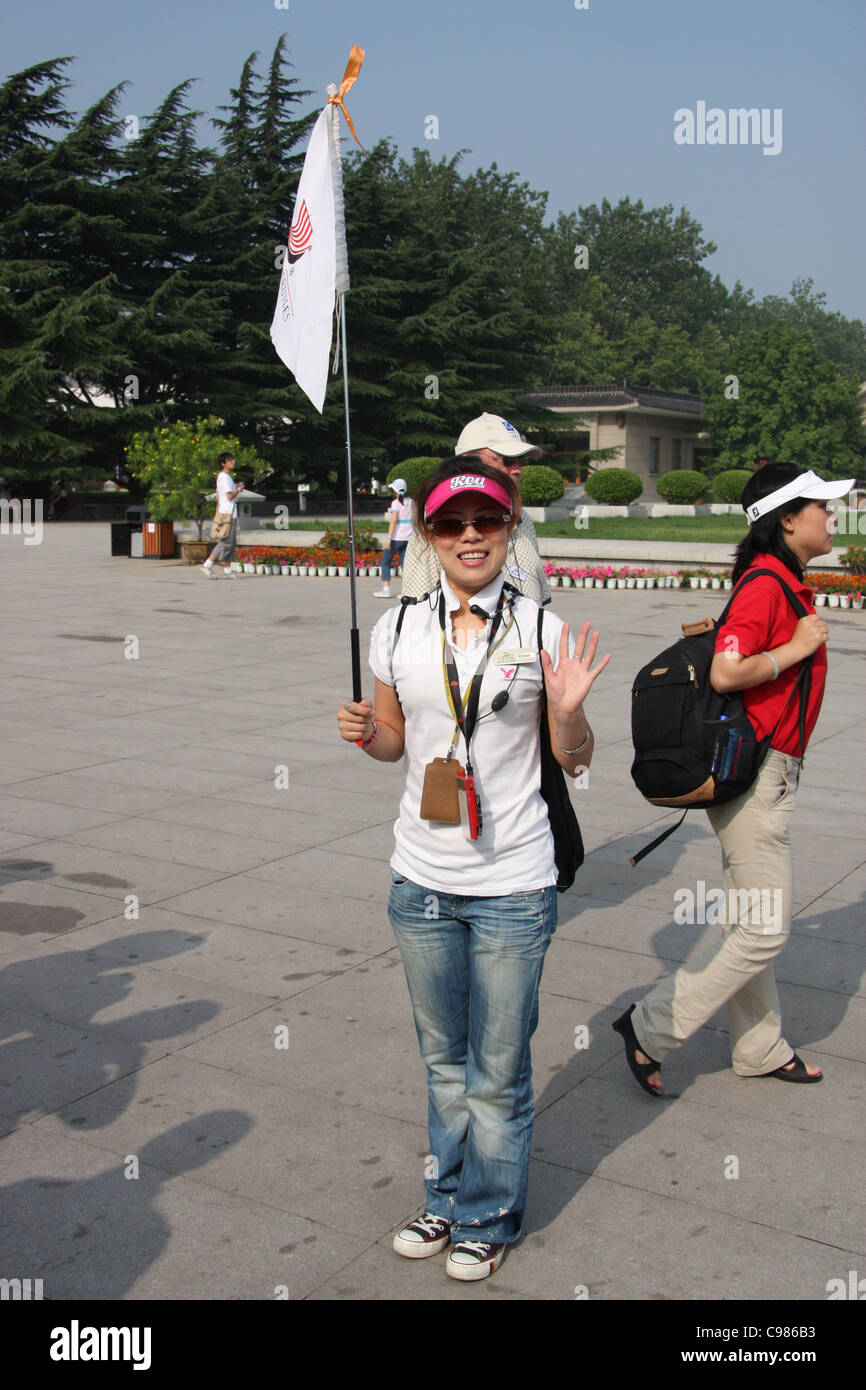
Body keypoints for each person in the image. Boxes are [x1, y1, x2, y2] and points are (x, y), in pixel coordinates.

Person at [336, 457, 610, 1281]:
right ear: (428, 533)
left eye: (485, 522)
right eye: (451, 524)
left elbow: (578, 757)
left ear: (509, 525)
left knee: (497, 1069)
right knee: (442, 1059)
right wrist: (363, 730)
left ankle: (488, 1214)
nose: (469, 537)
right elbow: (394, 745)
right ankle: (447, 1194)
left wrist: (569, 715)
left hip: (511, 887)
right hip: (419, 880)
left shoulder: (542, 631)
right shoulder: (396, 629)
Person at [613, 463, 855, 1095]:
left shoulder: (782, 579)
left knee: (749, 914)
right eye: (822, 508)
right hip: (759, 776)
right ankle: (650, 1027)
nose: (833, 517)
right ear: (787, 518)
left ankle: (758, 1047)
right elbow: (726, 672)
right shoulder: (767, 585)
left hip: (769, 770)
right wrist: (797, 649)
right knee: (765, 927)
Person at [400, 413, 551, 604]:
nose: (517, 469)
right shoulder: (437, 524)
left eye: (521, 460)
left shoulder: (523, 518)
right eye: (506, 459)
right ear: (468, 460)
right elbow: (417, 611)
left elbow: (540, 600)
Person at [201, 453, 244, 578]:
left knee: (231, 542)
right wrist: (239, 490)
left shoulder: (224, 477)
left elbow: (219, 494)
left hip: (227, 511)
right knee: (227, 541)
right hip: (228, 513)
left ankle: (227, 569)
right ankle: (207, 564)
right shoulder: (224, 477)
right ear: (223, 463)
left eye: (232, 459)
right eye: (229, 460)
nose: (232, 462)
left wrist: (234, 487)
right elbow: (229, 496)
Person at [374, 478, 414, 599]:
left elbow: (393, 521)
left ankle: (386, 590)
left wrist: (389, 538)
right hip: (408, 538)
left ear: (395, 491)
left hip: (396, 538)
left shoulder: (395, 503)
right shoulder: (411, 502)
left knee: (385, 562)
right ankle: (407, 591)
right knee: (405, 565)